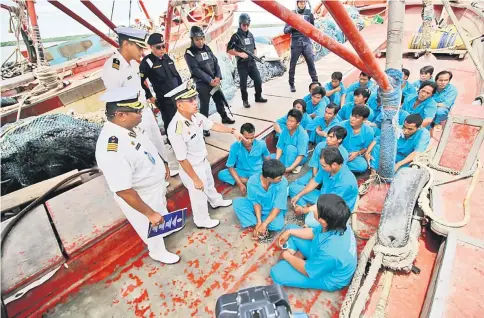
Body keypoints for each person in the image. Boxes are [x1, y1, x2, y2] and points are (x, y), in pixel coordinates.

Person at [95, 87, 179, 264]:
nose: (141, 113)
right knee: (150, 223)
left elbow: (148, 146)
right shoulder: (112, 148)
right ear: (121, 115)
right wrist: (149, 213)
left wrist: (163, 162)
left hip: (154, 187)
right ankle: (157, 251)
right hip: (141, 195)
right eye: (136, 111)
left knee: (160, 212)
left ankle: (164, 229)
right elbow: (123, 190)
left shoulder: (131, 127)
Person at [101, 27, 179, 178]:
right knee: (143, 148)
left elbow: (140, 86)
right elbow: (115, 101)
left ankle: (164, 170)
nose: (142, 51)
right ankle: (155, 176)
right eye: (138, 46)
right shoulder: (113, 68)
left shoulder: (133, 64)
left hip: (144, 110)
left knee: (156, 141)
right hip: (131, 116)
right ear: (126, 44)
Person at [166, 80, 243, 229]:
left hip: (202, 160)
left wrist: (232, 131)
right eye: (190, 100)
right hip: (191, 167)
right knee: (198, 195)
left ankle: (215, 201)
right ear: (179, 105)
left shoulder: (195, 116)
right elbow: (181, 159)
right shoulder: (176, 128)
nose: (195, 102)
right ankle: (201, 220)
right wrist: (195, 179)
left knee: (209, 184)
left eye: (194, 98)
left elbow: (212, 125)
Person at [271, 194, 357, 291]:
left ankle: (297, 256)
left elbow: (308, 271)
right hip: (322, 254)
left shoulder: (331, 251)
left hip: (328, 277)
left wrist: (287, 256)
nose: (313, 208)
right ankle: (299, 256)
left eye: (317, 208)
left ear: (323, 221)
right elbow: (313, 232)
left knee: (276, 272)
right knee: (290, 228)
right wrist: (289, 232)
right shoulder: (338, 221)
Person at [184, 26, 235, 137]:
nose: (200, 41)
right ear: (192, 40)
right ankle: (204, 127)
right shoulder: (189, 53)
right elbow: (195, 70)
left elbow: (215, 62)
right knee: (204, 106)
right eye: (197, 39)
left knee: (219, 100)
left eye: (202, 38)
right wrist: (209, 80)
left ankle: (224, 117)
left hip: (214, 80)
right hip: (202, 83)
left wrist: (218, 76)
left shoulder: (207, 48)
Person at [289, 148, 358, 227]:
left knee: (310, 222)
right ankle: (310, 210)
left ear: (334, 165)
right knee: (293, 189)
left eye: (323, 166)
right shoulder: (326, 167)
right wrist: (299, 195)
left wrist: (303, 210)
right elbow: (315, 181)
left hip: (336, 207)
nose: (322, 167)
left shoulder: (346, 182)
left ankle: (309, 212)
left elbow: (329, 203)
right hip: (323, 197)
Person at [233, 159, 288, 239]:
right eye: (279, 177)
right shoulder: (252, 181)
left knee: (278, 225)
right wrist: (259, 222)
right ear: (269, 178)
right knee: (238, 203)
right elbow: (255, 202)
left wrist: (265, 223)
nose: (282, 178)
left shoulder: (283, 182)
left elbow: (278, 206)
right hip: (257, 208)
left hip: (273, 209)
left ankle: (260, 226)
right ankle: (258, 226)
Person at [139, 33, 182, 135]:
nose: (162, 49)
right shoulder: (147, 62)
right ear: (151, 47)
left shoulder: (167, 58)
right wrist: (150, 97)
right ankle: (172, 142)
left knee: (181, 121)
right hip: (165, 100)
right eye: (159, 47)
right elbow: (140, 82)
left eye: (164, 46)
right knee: (170, 123)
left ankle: (182, 139)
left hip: (178, 97)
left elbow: (176, 76)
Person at [227, 13, 267, 108]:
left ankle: (258, 96)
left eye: (247, 25)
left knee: (258, 80)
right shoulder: (235, 36)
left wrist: (255, 55)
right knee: (243, 84)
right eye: (244, 25)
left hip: (252, 63)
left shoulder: (251, 35)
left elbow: (254, 47)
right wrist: (239, 54)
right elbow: (228, 50)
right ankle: (245, 100)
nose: (245, 27)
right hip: (242, 64)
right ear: (240, 24)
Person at [218, 123, 271, 194]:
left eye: (252, 138)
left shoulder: (261, 144)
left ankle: (253, 181)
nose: (249, 141)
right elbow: (230, 166)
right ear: (241, 136)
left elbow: (268, 160)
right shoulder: (235, 146)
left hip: (258, 171)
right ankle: (251, 181)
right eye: (246, 138)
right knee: (221, 174)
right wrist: (240, 183)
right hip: (242, 171)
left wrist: (269, 172)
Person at [284, 0, 318, 92]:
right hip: (295, 41)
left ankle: (315, 82)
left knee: (311, 62)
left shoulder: (309, 13)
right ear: (297, 3)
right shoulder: (292, 14)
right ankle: (291, 84)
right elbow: (285, 30)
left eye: (303, 2)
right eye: (300, 2)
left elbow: (313, 29)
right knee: (293, 64)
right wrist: (293, 27)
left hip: (306, 41)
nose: (302, 4)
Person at [271, 109, 309, 174]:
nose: (288, 123)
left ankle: (286, 170)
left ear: (298, 123)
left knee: (290, 148)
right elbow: (280, 147)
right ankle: (285, 165)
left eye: (292, 121)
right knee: (271, 158)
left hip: (299, 158)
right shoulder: (284, 130)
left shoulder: (303, 135)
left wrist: (290, 168)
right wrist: (276, 161)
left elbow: (301, 155)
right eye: (288, 120)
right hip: (286, 154)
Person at [340, 106, 375, 173]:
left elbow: (365, 148)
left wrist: (357, 153)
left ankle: (337, 167)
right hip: (339, 152)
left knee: (362, 166)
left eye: (357, 117)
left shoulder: (369, 132)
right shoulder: (341, 126)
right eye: (352, 115)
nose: (352, 119)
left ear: (364, 120)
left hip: (354, 156)